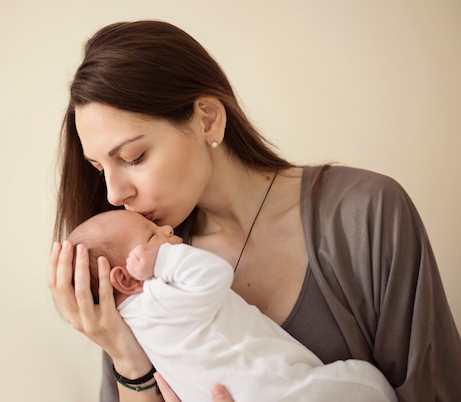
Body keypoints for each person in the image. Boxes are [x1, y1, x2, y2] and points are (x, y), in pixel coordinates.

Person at [47, 20, 461, 402]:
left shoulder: (363, 215)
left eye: (134, 157)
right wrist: (126, 358)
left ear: (207, 120)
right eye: (100, 169)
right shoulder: (136, 277)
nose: (115, 193)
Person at [66, 209, 397, 402]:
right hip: (271, 389)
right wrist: (164, 259)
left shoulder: (128, 327)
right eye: (152, 237)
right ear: (126, 280)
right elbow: (214, 275)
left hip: (238, 392)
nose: (166, 229)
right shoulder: (159, 296)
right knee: (369, 384)